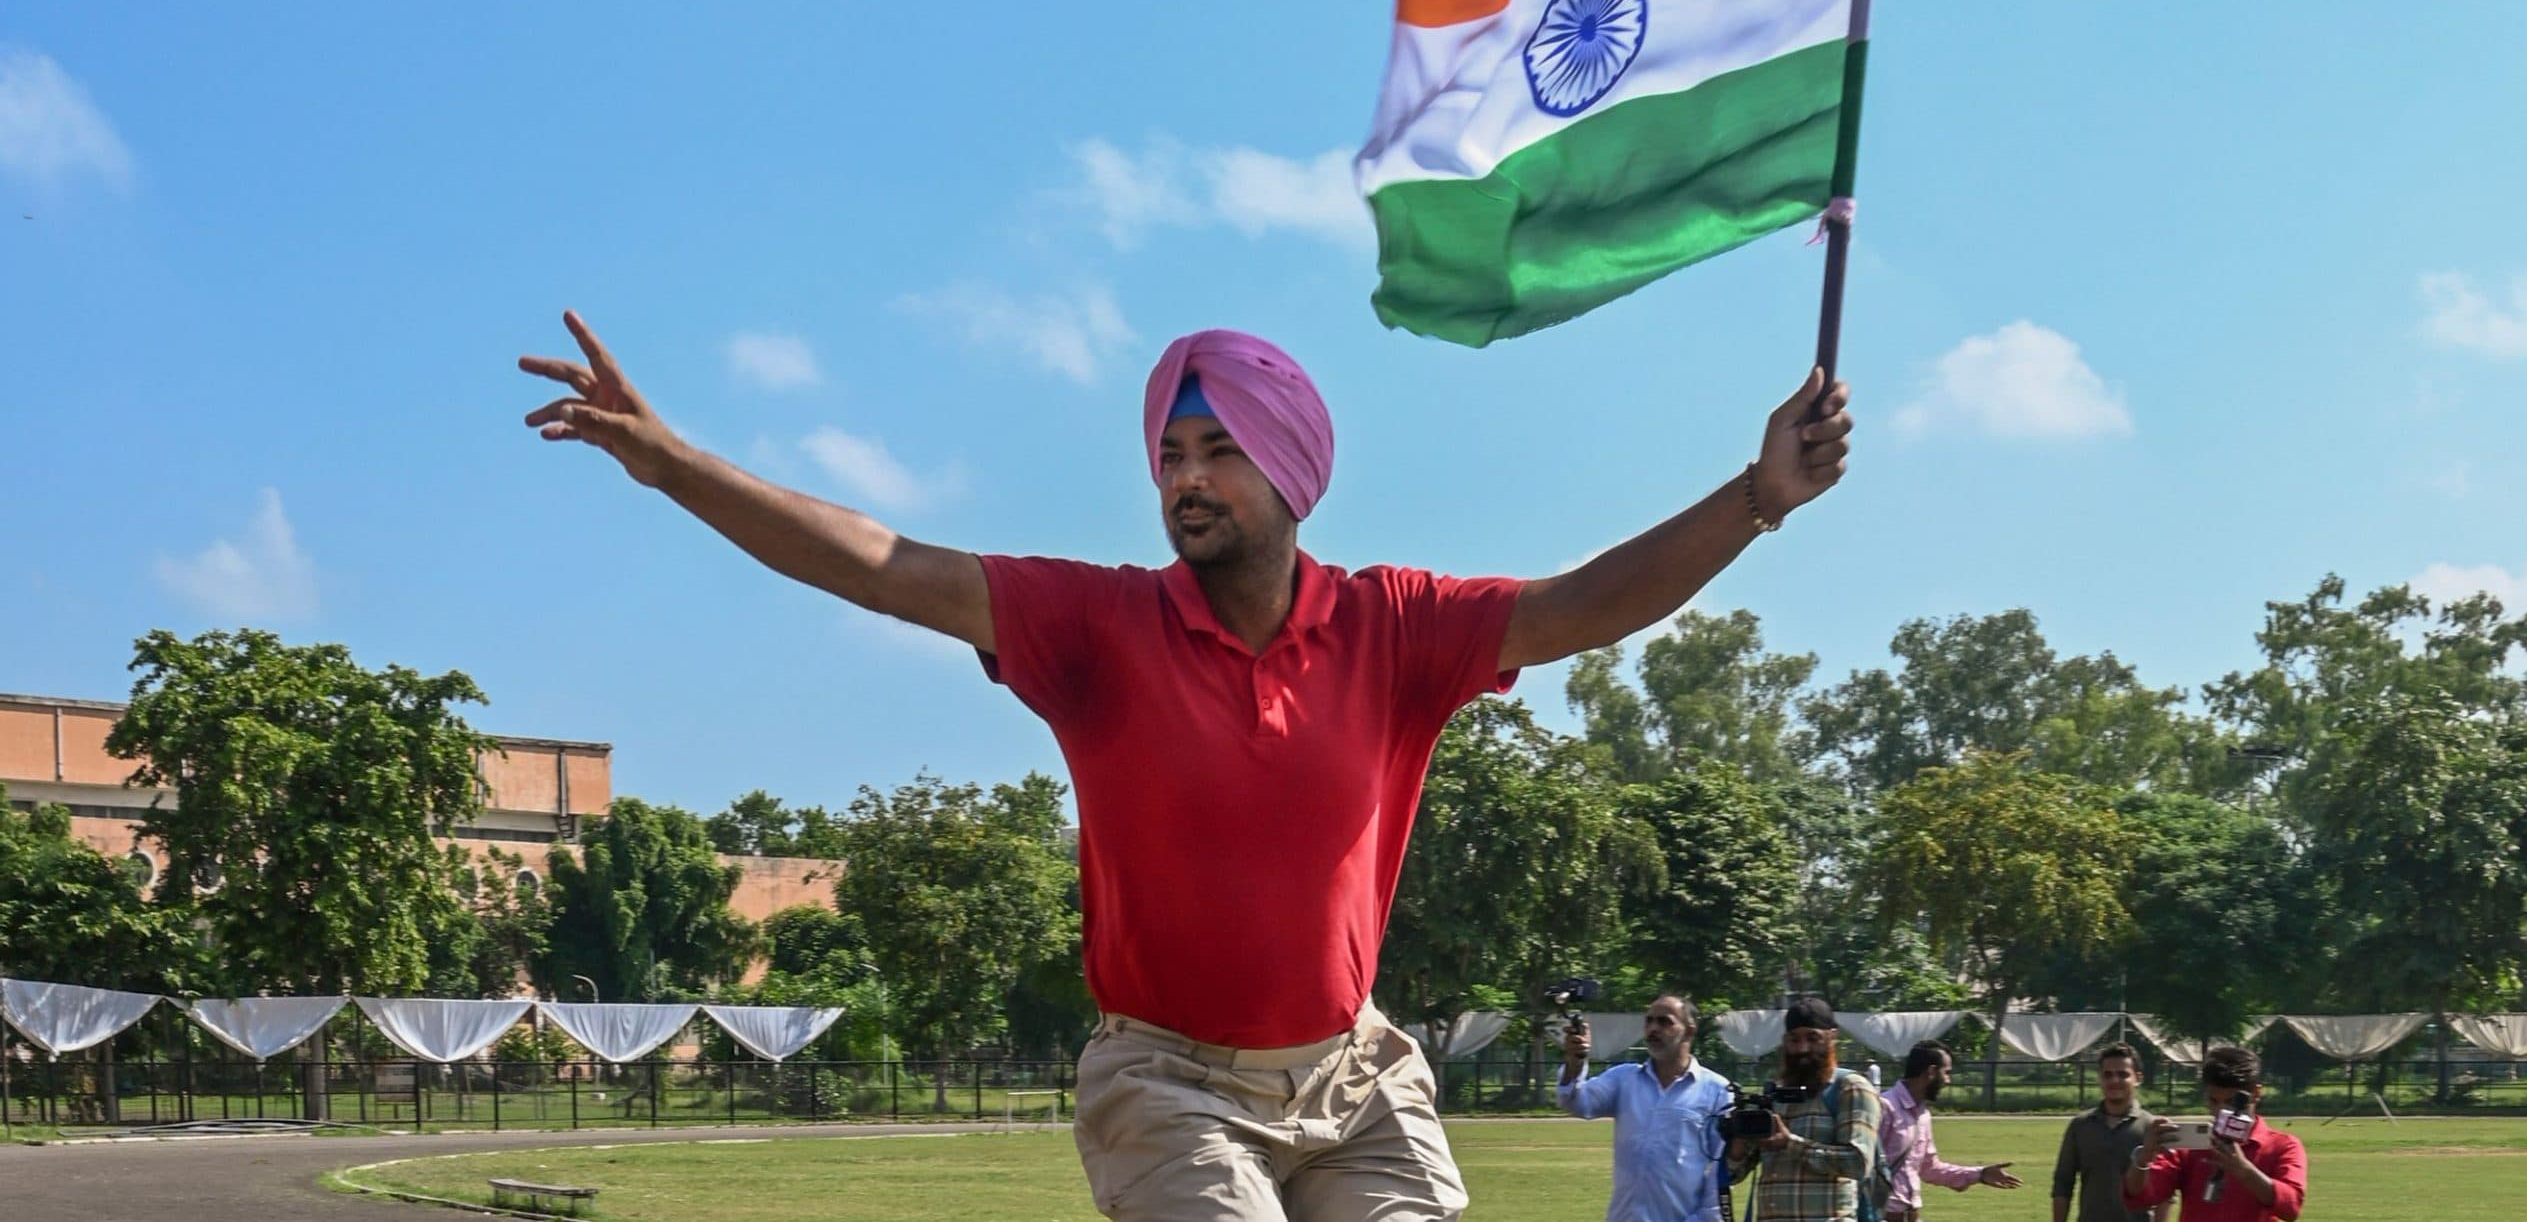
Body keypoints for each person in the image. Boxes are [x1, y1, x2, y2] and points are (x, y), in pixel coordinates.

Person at [521, 314, 1852, 1221]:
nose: (1187, 477)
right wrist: (671, 461)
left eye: (1219, 450)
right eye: (1170, 452)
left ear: (1289, 471)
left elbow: (1579, 604)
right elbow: (881, 561)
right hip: (1166, 1075)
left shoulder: (1395, 626)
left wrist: (1756, 496)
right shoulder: (1101, 627)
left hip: (1352, 1073)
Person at [1559, 993, 1736, 1222]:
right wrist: (1574, 1064)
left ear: (1690, 1030)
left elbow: (1719, 1172)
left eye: (1665, 1022)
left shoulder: (1718, 1091)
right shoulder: (1624, 1079)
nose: (1653, 1028)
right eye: (1649, 1020)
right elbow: (1577, 1102)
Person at [1724, 997, 1880, 1222]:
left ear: (1832, 1037)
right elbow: (1732, 1174)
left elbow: (1858, 1163)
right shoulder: (1774, 1094)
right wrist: (1738, 1143)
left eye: (1812, 1038)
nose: (1802, 1048)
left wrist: (1790, 1144)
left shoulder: (1850, 1088)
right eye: (1794, 1040)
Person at [2123, 1046, 2305, 1222]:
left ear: (2256, 1094)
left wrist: (2244, 1169)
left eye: (2232, 1102)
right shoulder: (2191, 1146)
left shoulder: (2283, 1146)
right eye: (2213, 1101)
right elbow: (2140, 1196)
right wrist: (2143, 1159)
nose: (2221, 1111)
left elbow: (2291, 1207)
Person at [1877, 1040, 2021, 1221]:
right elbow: (1861, 1165)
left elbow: (1930, 1169)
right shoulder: (1884, 1107)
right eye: (1946, 1073)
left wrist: (1980, 1175)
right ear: (1931, 1072)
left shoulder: (1923, 1115)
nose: (1948, 1080)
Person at [2053, 1043, 2168, 1222]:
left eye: (2123, 1074)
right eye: (2108, 1075)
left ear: (2137, 1078)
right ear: (2100, 1078)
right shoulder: (2081, 1125)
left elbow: (2165, 1193)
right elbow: (2062, 1183)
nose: (2114, 1080)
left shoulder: (2152, 1127)